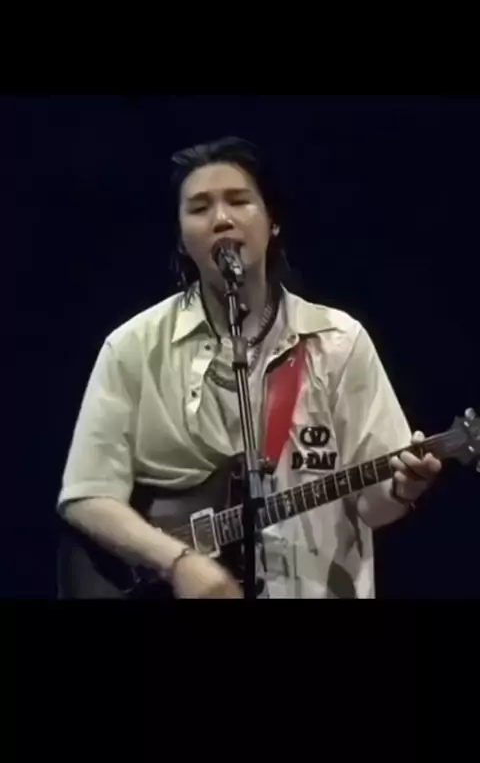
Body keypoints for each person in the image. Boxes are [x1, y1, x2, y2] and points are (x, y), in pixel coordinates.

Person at [56, 136, 442, 598]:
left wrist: (402, 489)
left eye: (239, 201)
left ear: (273, 220)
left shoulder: (338, 341)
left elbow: (373, 508)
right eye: (200, 208)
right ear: (181, 236)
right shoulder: (132, 348)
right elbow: (87, 495)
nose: (221, 219)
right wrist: (178, 561)